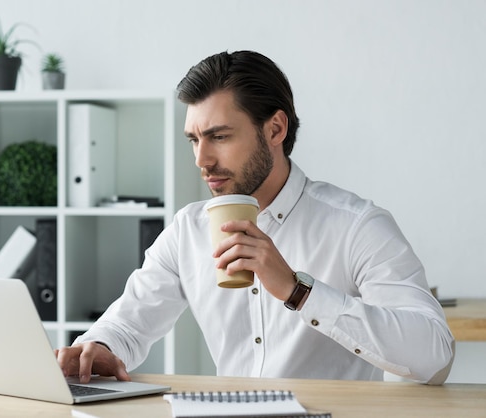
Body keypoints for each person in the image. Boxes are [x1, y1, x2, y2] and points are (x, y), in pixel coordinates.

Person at [56, 50, 455, 385]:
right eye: (194, 140)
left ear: (275, 129)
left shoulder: (356, 226)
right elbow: (128, 324)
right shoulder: (187, 232)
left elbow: (434, 356)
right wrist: (101, 349)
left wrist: (298, 291)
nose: (201, 160)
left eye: (220, 136)